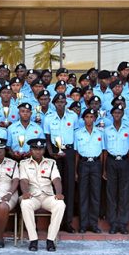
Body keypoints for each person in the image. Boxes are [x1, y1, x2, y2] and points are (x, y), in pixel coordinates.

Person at [19, 138, 65, 252]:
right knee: (25, 204)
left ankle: (50, 240)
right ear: (30, 150)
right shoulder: (23, 163)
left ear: (44, 150)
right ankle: (33, 240)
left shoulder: (51, 163)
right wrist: (25, 192)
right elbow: (23, 180)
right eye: (35, 149)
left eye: (40, 149)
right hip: (32, 196)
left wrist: (59, 193)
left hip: (47, 196)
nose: (38, 151)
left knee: (60, 204)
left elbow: (57, 179)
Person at [43, 92, 77, 232]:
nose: (60, 104)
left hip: (69, 151)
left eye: (63, 102)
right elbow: (47, 137)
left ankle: (67, 222)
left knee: (69, 187)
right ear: (54, 103)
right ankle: (55, 222)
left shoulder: (73, 116)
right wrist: (50, 152)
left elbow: (76, 135)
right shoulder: (49, 118)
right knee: (56, 186)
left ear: (66, 103)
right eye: (58, 102)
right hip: (55, 153)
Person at [103, 104, 129, 234]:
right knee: (111, 193)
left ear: (122, 115)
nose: (117, 115)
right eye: (115, 113)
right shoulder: (107, 130)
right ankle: (113, 223)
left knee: (124, 194)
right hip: (111, 161)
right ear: (112, 115)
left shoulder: (128, 130)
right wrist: (104, 169)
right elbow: (104, 151)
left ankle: (123, 223)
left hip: (124, 162)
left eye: (119, 113)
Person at [74, 109, 104, 233]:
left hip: (96, 164)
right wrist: (76, 171)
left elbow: (103, 152)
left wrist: (102, 168)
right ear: (83, 119)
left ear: (95, 119)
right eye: (87, 116)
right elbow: (76, 153)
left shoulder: (100, 133)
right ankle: (83, 224)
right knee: (83, 194)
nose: (89, 119)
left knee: (95, 195)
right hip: (83, 164)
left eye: (92, 117)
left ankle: (93, 224)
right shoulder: (78, 133)